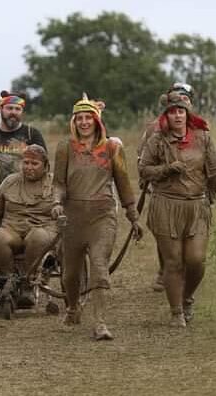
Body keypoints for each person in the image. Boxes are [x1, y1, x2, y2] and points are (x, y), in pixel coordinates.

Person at [138, 91, 216, 327]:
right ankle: (176, 313)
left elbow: (215, 173)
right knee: (173, 262)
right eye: (172, 112)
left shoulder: (203, 138)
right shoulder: (157, 139)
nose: (177, 116)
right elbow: (144, 170)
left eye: (181, 111)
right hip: (166, 205)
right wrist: (167, 169)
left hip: (197, 205)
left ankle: (187, 298)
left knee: (196, 260)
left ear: (187, 114)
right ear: (167, 116)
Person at [53, 94, 142, 341]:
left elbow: (123, 183)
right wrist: (56, 203)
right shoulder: (65, 148)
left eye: (88, 118)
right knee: (70, 274)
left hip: (102, 215)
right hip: (72, 217)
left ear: (96, 120)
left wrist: (132, 215)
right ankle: (72, 307)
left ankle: (100, 323)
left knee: (99, 268)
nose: (83, 123)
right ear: (73, 122)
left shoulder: (113, 148)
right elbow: (58, 184)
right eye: (79, 118)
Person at [0, 144, 58, 309]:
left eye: (34, 164)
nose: (29, 167)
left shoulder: (55, 185)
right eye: (26, 163)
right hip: (13, 229)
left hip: (43, 229)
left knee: (37, 236)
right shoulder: (10, 182)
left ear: (46, 166)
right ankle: (8, 282)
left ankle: (27, 285)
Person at [139, 82, 194, 293]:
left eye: (186, 99)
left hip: (193, 193)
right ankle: (165, 270)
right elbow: (142, 159)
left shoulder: (200, 129)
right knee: (166, 233)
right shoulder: (154, 129)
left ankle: (186, 274)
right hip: (162, 189)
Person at [0, 91, 46, 184]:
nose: (13, 112)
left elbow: (43, 165)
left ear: (22, 111)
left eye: (17, 109)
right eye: (9, 108)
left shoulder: (32, 134)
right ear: (1, 109)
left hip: (23, 192)